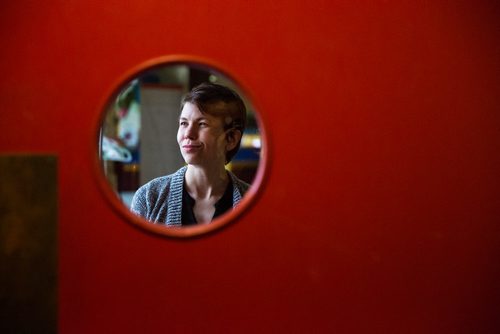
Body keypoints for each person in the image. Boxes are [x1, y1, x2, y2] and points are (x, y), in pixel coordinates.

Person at [130, 82, 250, 226]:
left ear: (231, 139)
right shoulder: (149, 198)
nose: (188, 134)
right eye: (184, 123)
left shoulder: (253, 203)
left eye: (202, 124)